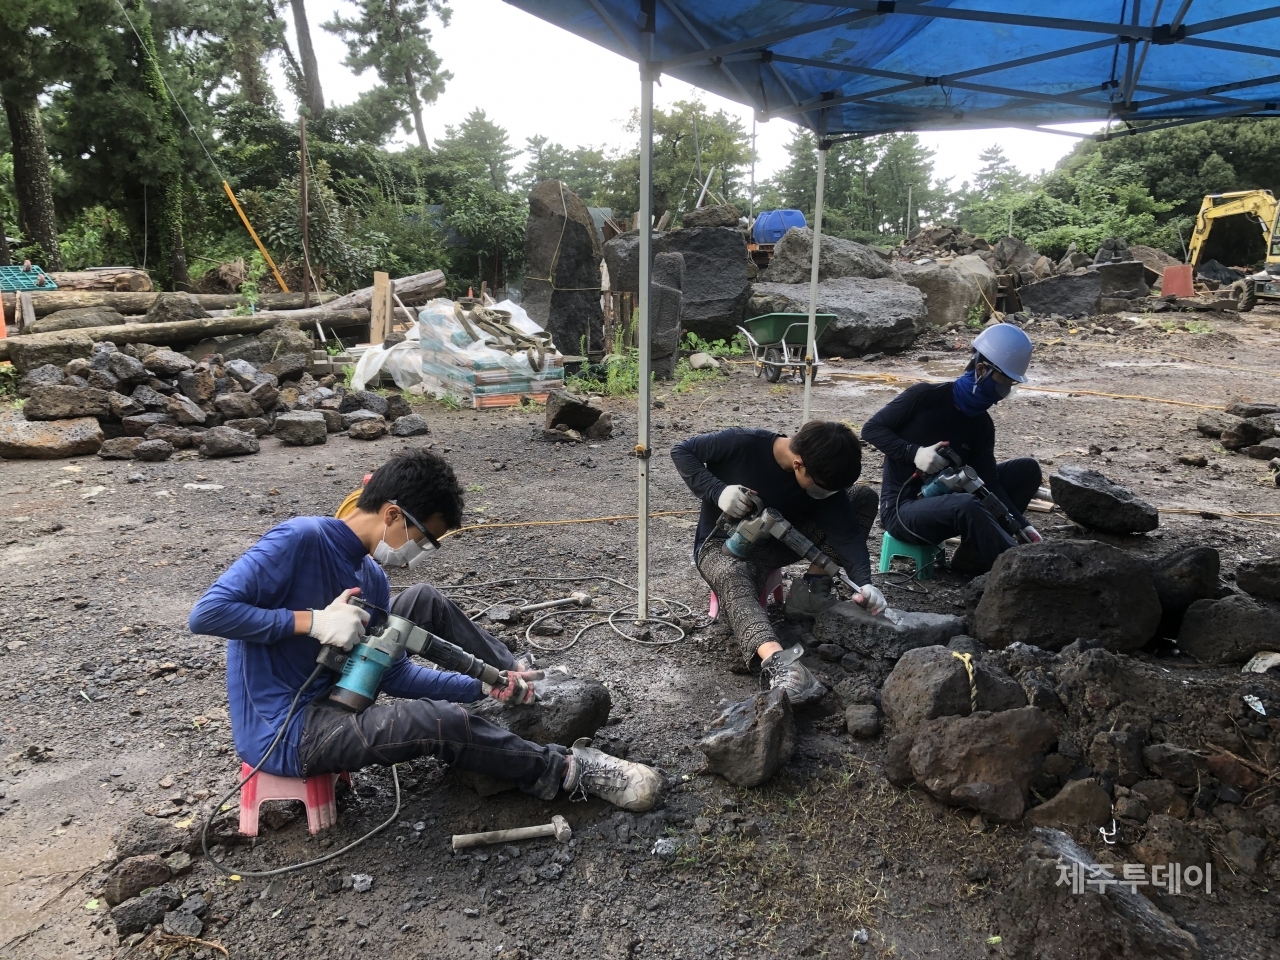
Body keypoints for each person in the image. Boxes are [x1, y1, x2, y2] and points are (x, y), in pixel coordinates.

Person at [189, 449, 661, 812]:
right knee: (433, 719)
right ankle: (568, 772)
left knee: (422, 601)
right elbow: (207, 614)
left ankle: (509, 668)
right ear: (392, 514)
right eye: (423, 538)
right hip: (288, 734)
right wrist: (311, 622)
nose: (420, 550)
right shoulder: (301, 540)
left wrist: (480, 685)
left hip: (337, 702)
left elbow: (391, 674)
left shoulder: (371, 576)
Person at [671, 421, 885, 708]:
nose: (829, 496)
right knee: (731, 575)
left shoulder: (824, 477)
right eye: (823, 488)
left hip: (786, 540)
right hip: (725, 547)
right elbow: (681, 450)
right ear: (799, 465)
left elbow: (846, 533)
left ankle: (811, 592)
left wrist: (864, 581)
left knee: (863, 497)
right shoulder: (742, 442)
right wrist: (717, 491)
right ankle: (783, 664)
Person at [861, 323, 1042, 576]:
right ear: (981, 370)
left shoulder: (981, 424)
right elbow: (871, 429)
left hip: (947, 506)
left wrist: (1023, 526)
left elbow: (989, 483)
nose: (1005, 391)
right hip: (903, 510)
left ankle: (973, 559)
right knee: (967, 505)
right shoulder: (925, 397)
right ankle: (1022, 572)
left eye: (1011, 383)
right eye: (1004, 381)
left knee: (1026, 470)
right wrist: (914, 453)